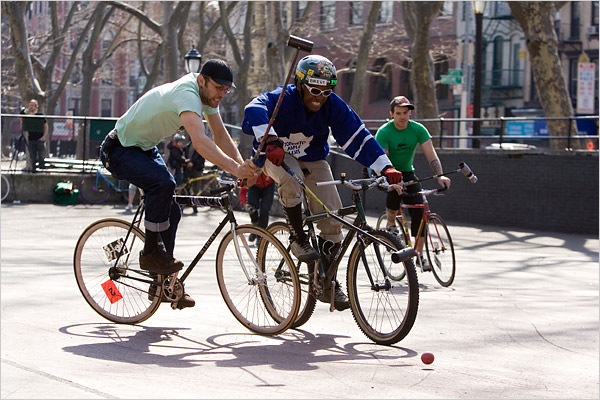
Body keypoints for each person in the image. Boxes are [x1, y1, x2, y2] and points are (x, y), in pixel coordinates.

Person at [242, 55, 402, 311]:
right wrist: (269, 139)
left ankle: (327, 281)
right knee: (291, 179)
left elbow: (357, 134)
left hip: (314, 158)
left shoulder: (332, 105)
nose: (319, 97)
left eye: (326, 91)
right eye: (314, 90)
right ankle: (297, 237)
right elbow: (253, 108)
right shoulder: (283, 97)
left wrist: (385, 166)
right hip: (276, 154)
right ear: (299, 84)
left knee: (332, 215)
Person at [99, 59, 258, 309]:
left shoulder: (206, 96)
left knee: (172, 210)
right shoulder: (188, 94)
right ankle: (150, 254)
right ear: (202, 80)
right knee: (163, 184)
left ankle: (163, 283)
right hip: (118, 148)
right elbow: (201, 142)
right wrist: (236, 169)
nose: (221, 95)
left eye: (226, 90)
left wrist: (242, 167)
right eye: (218, 88)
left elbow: (220, 134)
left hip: (142, 148)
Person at [375, 95, 451, 270]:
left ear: (410, 113)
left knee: (420, 212)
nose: (402, 116)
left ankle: (419, 255)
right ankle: (390, 224)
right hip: (386, 170)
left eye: (405, 113)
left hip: (407, 172)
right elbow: (383, 161)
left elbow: (432, 156)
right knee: (395, 188)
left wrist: (440, 176)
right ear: (391, 114)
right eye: (398, 113)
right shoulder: (384, 132)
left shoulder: (418, 129)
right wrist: (393, 178)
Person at [243, 172, 276, 241]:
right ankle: (255, 228)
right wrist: (244, 202)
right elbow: (243, 185)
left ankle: (261, 235)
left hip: (268, 186)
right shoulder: (250, 170)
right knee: (251, 208)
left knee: (264, 210)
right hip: (254, 186)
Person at [21, 99, 48, 172]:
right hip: (31, 139)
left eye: (32, 105)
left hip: (40, 138)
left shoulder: (40, 115)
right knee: (32, 156)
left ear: (36, 107)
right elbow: (21, 119)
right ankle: (33, 169)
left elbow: (46, 126)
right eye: (30, 105)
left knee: (42, 155)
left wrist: (44, 136)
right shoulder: (28, 117)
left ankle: (42, 169)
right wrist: (24, 111)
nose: (31, 107)